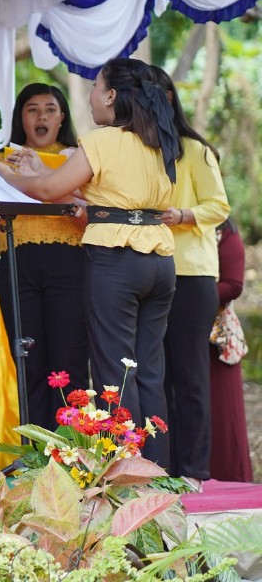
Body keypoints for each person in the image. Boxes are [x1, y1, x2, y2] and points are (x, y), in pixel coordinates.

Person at [0, 57, 177, 468]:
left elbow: (46, 189)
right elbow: (101, 201)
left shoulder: (103, 140)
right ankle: (156, 473)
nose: (90, 95)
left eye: (95, 86)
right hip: (160, 259)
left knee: (114, 375)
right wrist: (43, 178)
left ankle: (122, 476)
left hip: (118, 262)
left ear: (111, 95)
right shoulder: (160, 138)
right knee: (147, 372)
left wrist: (2, 173)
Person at [150, 66, 229, 483]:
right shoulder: (135, 152)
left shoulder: (196, 150)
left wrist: (182, 214)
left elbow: (219, 206)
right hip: (145, 272)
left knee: (190, 377)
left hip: (191, 276)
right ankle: (159, 467)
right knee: (153, 378)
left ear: (166, 98)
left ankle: (194, 470)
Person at [0, 83, 90, 430]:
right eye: (32, 109)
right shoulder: (3, 161)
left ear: (62, 116)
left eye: (50, 109)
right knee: (29, 365)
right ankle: (35, 461)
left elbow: (90, 215)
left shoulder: (79, 157)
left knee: (69, 365)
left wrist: (40, 177)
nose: (42, 116)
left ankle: (75, 460)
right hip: (19, 266)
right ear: (21, 117)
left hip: (69, 265)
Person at [209, 219, 252, 482]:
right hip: (175, 333)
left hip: (217, 341)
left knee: (223, 416)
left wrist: (192, 296)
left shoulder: (225, 233)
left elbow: (234, 284)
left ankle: (230, 482)